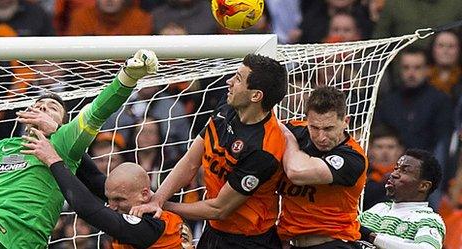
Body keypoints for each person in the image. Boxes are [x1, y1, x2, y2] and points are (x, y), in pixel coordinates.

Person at [0, 49, 158, 248]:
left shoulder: (64, 144)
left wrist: (127, 77)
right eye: (39, 104)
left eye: (53, 108)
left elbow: (98, 110)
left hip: (23, 238)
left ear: (62, 122)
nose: (44, 108)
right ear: (27, 113)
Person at [131, 53, 288, 249]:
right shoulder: (227, 106)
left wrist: (163, 206)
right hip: (214, 231)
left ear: (256, 96)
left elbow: (219, 208)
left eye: (238, 79)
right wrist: (158, 198)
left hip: (248, 241)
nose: (229, 82)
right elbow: (190, 161)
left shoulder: (264, 150)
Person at [21, 128, 194, 249]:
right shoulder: (141, 208)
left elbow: (88, 209)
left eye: (119, 199)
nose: (111, 205)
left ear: (145, 194)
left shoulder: (149, 227)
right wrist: (59, 131)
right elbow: (93, 177)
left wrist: (53, 160)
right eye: (109, 199)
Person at [277, 86, 368, 248]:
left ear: (345, 122)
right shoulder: (296, 130)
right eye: (314, 127)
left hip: (332, 243)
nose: (321, 137)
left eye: (328, 128)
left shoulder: (353, 158)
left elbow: (296, 172)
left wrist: (288, 140)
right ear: (307, 120)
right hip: (290, 242)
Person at [359, 149, 446, 249]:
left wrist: (372, 237)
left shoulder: (428, 219)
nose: (393, 174)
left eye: (404, 171)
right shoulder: (377, 209)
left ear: (424, 186)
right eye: (396, 168)